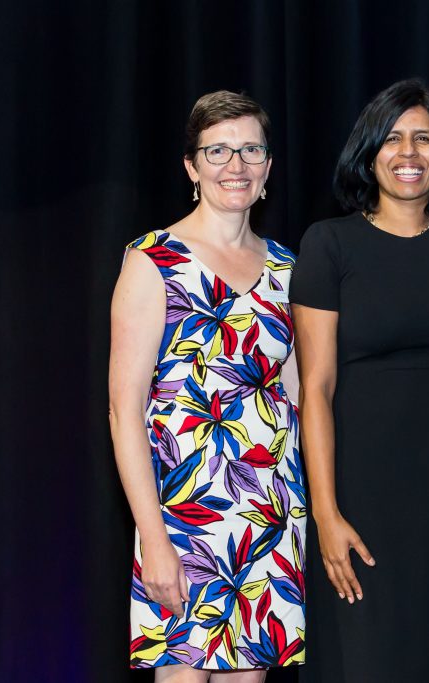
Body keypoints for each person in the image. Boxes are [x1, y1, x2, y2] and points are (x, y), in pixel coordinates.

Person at [290, 79, 429, 682]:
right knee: (367, 655)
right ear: (369, 154)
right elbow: (316, 389)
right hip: (360, 493)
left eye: (423, 139)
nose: (408, 153)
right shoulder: (330, 244)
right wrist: (325, 514)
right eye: (391, 139)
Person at [109, 91, 305, 679]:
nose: (235, 165)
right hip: (182, 516)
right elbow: (124, 410)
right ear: (192, 167)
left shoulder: (288, 269)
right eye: (218, 151)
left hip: (269, 512)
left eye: (250, 150)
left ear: (268, 166)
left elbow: (297, 398)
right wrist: (153, 538)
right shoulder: (154, 260)